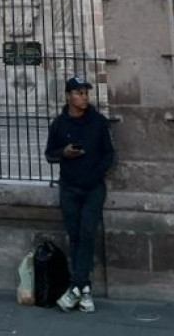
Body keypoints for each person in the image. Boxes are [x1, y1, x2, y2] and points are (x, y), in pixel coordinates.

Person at [44, 76, 114, 314]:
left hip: (93, 188)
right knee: (75, 236)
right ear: (69, 96)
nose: (84, 97)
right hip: (69, 187)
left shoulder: (99, 122)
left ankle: (77, 286)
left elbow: (109, 154)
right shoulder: (59, 125)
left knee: (86, 234)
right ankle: (83, 290)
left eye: (86, 93)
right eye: (79, 93)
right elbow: (49, 154)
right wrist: (64, 152)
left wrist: (96, 173)